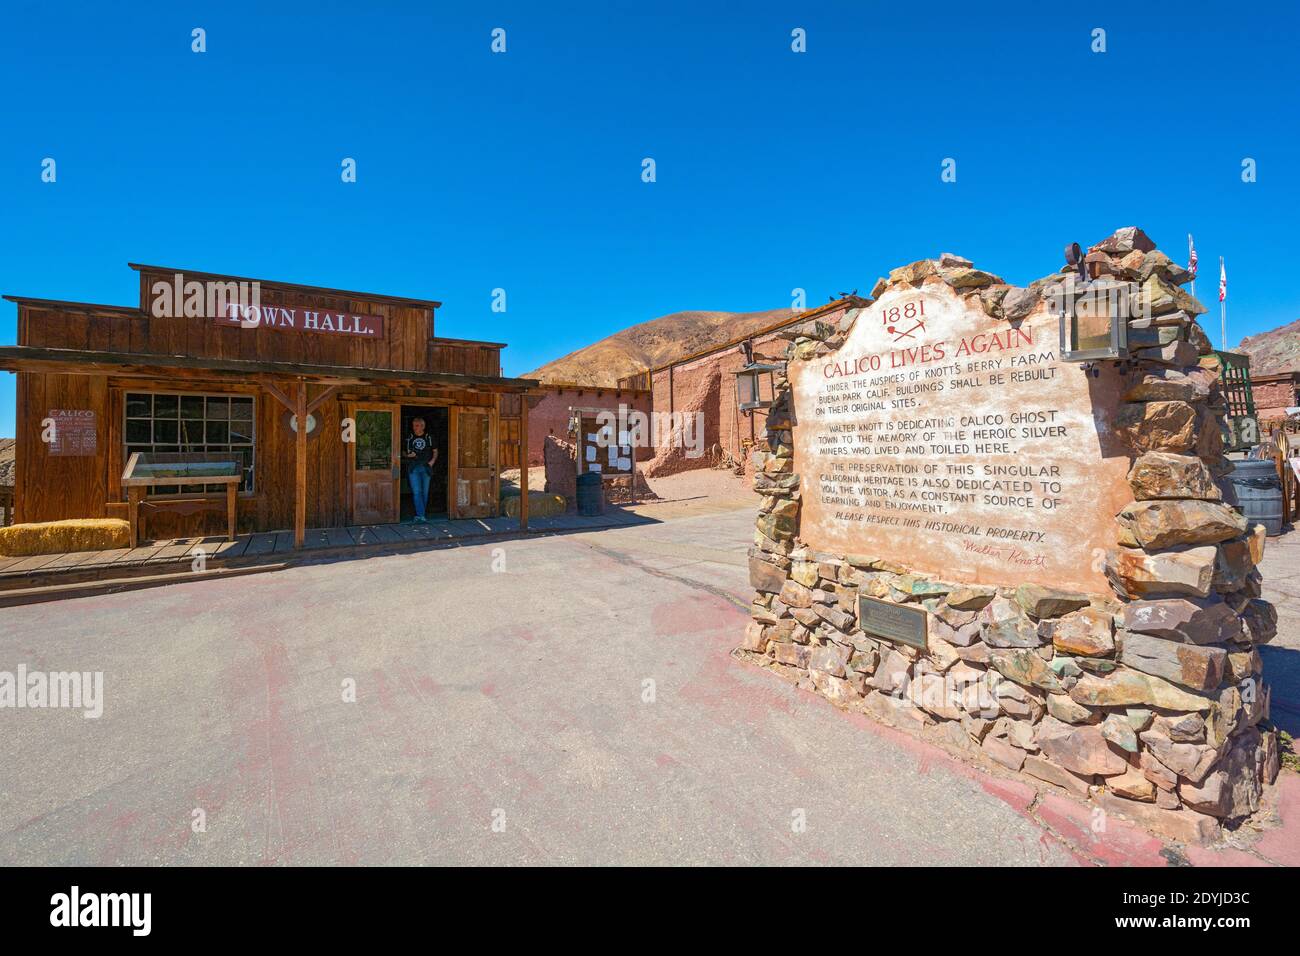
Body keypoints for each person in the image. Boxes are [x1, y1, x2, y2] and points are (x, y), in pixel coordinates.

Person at [404, 417, 438, 522]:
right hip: (414, 468)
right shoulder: (409, 437)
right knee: (417, 492)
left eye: (417, 425)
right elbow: (403, 452)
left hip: (426, 467)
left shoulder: (429, 437)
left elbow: (435, 451)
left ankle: (420, 515)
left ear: (423, 426)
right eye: (414, 425)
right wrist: (409, 455)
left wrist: (432, 462)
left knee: (425, 492)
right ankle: (421, 515)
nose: (415, 428)